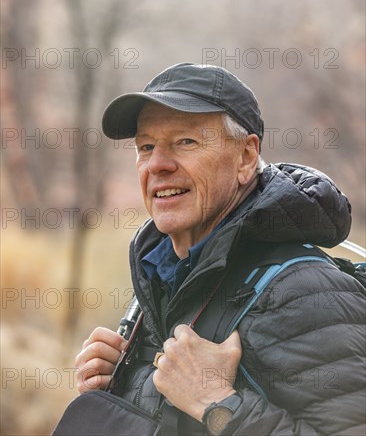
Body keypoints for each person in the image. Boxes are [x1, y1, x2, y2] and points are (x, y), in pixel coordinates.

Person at [75, 63, 365, 435]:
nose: (158, 165)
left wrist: (219, 406)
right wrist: (118, 391)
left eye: (186, 142)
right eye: (146, 147)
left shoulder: (304, 290)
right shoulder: (167, 276)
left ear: (246, 157)